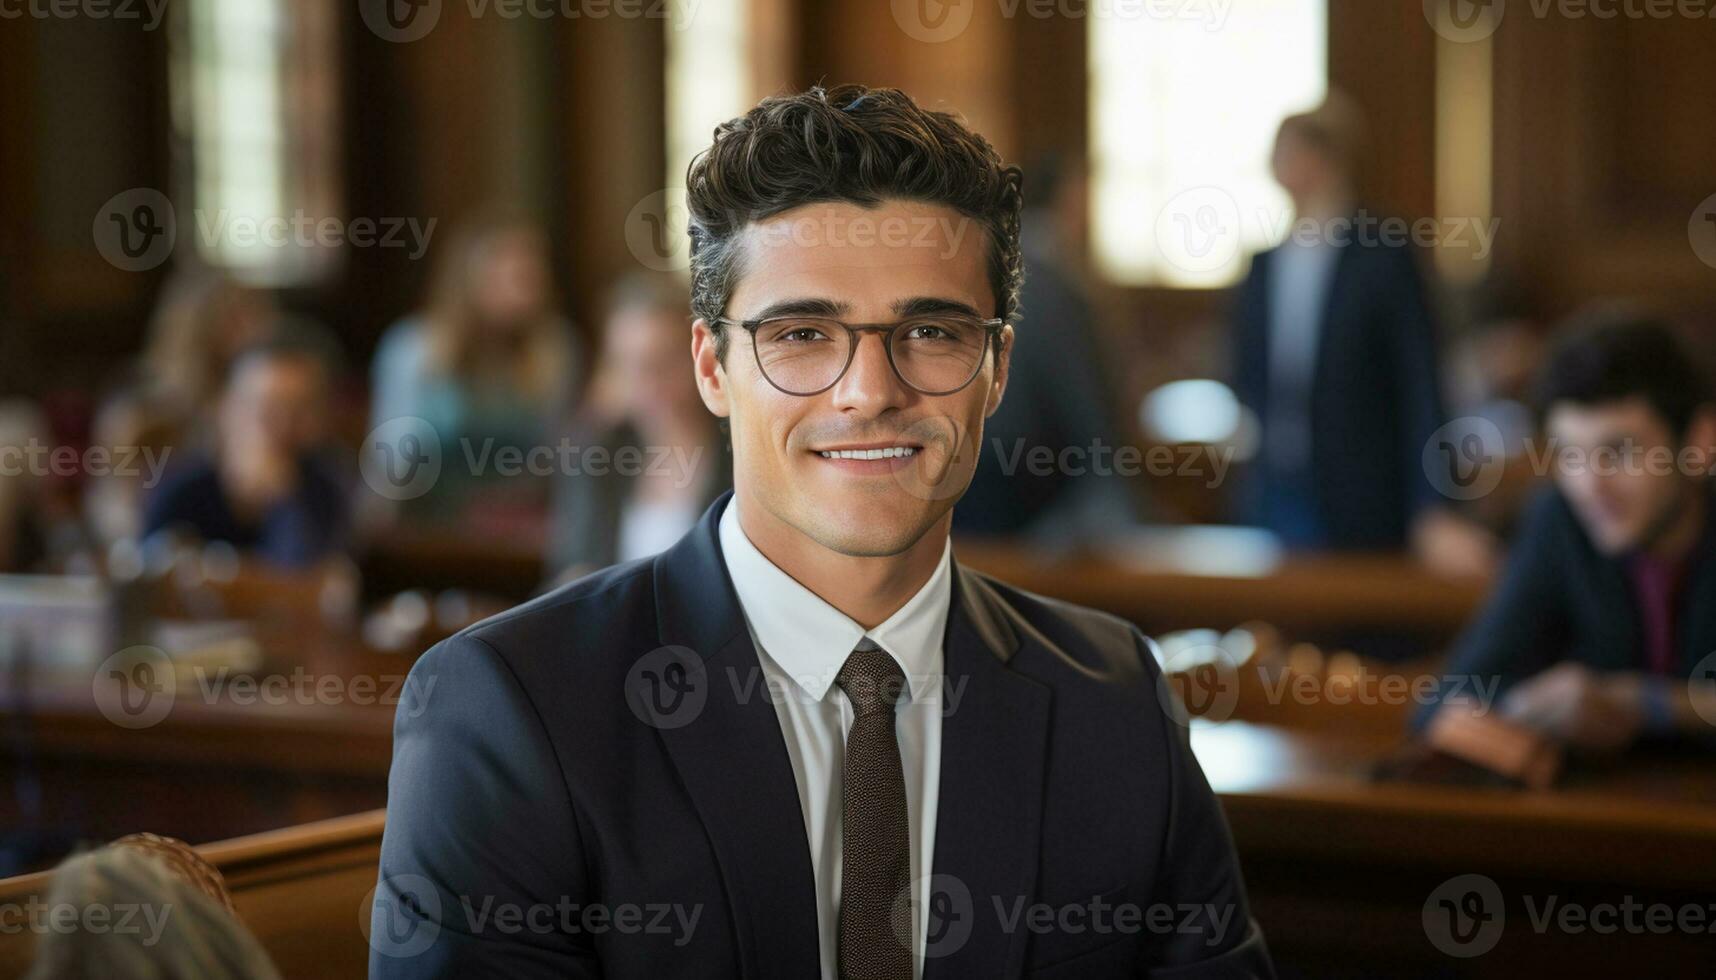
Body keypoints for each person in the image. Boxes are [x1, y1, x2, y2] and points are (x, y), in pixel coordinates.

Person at [373, 85, 1272, 979]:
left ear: (995, 368)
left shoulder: (1114, 702)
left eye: (930, 330)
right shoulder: (508, 711)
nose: (870, 390)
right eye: (803, 333)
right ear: (713, 369)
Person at [1418, 316, 1716, 751]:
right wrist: (1533, 708)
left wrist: (1649, 705)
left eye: (1618, 452)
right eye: (1570, 454)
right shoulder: (1559, 517)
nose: (1590, 486)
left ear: (1701, 442)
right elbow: (1445, 701)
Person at [1229, 95, 1495, 575]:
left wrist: (1433, 505)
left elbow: (1421, 381)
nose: (1282, 166)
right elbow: (1247, 372)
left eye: (1293, 152)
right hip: (1278, 482)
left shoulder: (1384, 254)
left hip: (1366, 490)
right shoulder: (1263, 265)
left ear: (1327, 159)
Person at [953, 152, 1142, 540]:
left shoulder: (1007, 257)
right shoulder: (1045, 273)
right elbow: (1075, 384)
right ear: (1067, 195)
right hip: (1022, 467)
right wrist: (1104, 474)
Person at [369, 213, 580, 523]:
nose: (525, 286)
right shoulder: (415, 348)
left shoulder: (555, 349)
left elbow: (563, 459)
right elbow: (389, 460)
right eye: (512, 274)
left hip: (521, 525)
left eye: (531, 274)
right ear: (472, 278)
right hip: (425, 525)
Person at [547, 274, 730, 581]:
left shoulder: (737, 450)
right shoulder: (602, 452)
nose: (647, 381)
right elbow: (570, 572)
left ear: (701, 358)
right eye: (628, 364)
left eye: (664, 360)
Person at [143, 334, 347, 567]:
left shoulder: (325, 491)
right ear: (226, 407)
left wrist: (284, 501)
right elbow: (150, 579)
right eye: (266, 408)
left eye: (299, 410)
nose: (282, 425)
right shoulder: (181, 489)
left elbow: (311, 583)